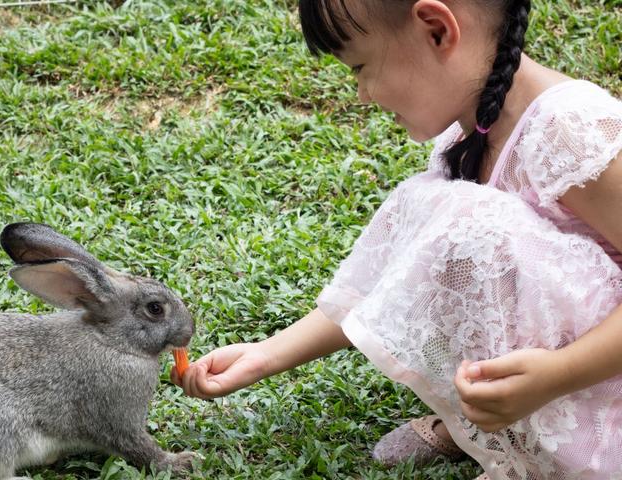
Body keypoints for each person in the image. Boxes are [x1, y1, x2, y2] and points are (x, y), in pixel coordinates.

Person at [172, 1, 622, 478]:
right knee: (445, 218)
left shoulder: (572, 131)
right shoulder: (465, 134)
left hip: (593, 382)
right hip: (545, 375)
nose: (363, 94)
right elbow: (399, 275)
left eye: (361, 68)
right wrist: (265, 355)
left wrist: (558, 376)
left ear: (436, 30)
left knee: (473, 225)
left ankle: (537, 440)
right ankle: (490, 424)